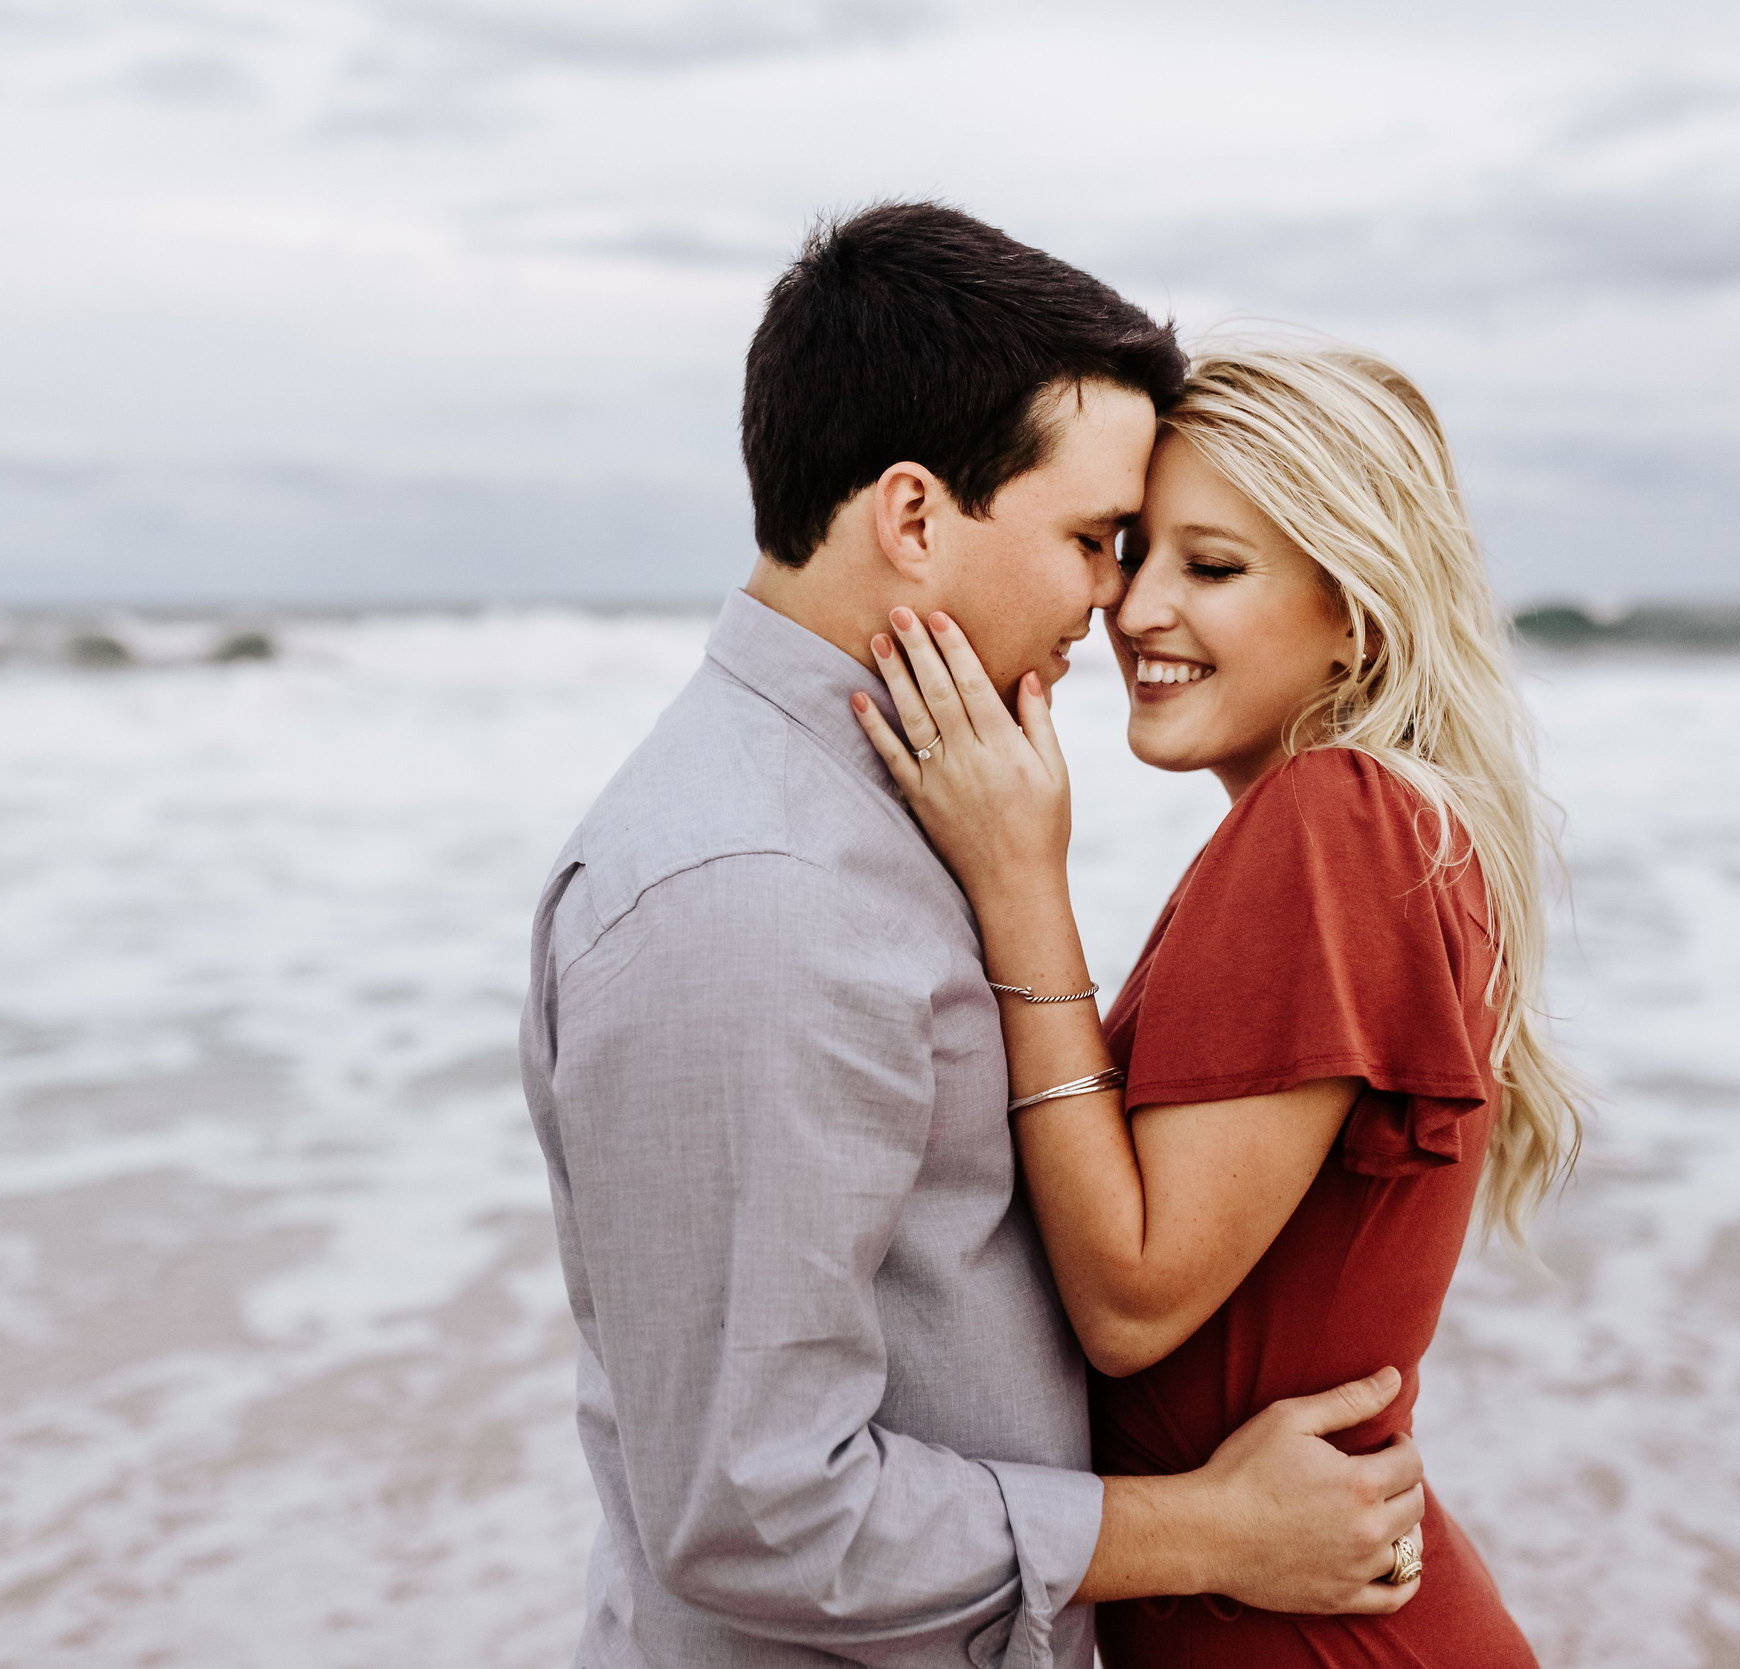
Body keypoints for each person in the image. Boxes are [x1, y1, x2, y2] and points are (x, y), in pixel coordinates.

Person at [520, 207, 1431, 1669]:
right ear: (915, 518)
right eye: (1094, 538)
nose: (1112, 598)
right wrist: (1207, 1528)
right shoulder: (751, 894)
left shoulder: (906, 805)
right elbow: (760, 1511)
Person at [852, 341, 1584, 1666]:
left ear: (1356, 611)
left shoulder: (1338, 822)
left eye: (1214, 566)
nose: (1134, 611)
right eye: (1135, 552)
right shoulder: (1380, 832)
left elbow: (1133, 1299)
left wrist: (1020, 878)